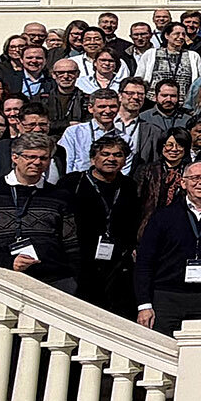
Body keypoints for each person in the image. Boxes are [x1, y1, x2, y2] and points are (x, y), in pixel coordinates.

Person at [135, 159, 201, 334]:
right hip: (167, 298)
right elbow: (145, 260)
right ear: (183, 183)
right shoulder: (163, 216)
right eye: (195, 178)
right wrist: (144, 304)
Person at [0, 134, 80, 292]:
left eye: (43, 158)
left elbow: (71, 243)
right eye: (30, 157)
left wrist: (73, 278)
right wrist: (7, 261)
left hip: (53, 279)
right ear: (15, 157)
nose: (37, 162)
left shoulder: (60, 196)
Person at [68, 135, 139, 316]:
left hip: (117, 263)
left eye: (118, 155)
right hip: (81, 260)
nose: (111, 159)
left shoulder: (129, 186)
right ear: (93, 158)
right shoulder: (73, 183)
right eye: (105, 154)